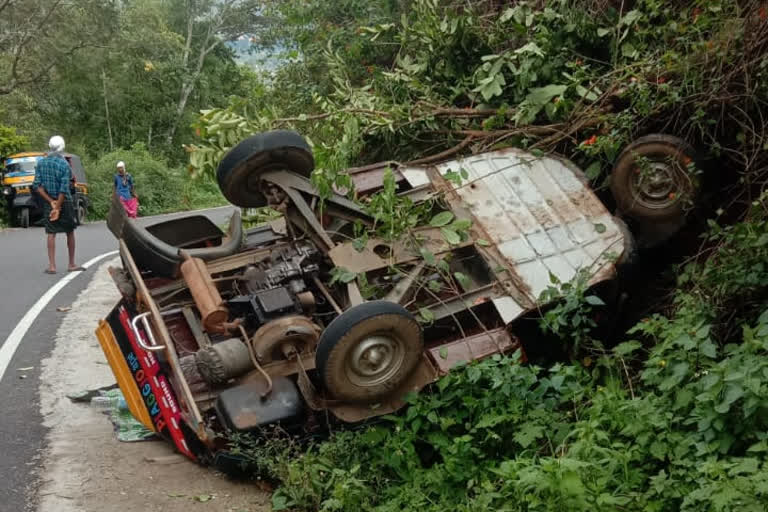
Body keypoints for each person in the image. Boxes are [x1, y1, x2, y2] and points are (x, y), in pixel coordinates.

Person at [32, 135, 83, 274]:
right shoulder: (64, 164)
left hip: (50, 202)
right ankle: (71, 264)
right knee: (70, 231)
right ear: (62, 148)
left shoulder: (41, 163)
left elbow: (37, 186)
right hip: (64, 202)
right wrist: (59, 206)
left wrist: (51, 203)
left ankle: (52, 266)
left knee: (51, 233)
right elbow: (64, 188)